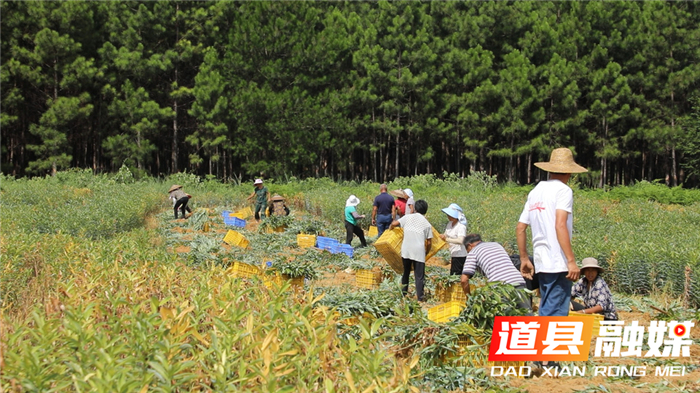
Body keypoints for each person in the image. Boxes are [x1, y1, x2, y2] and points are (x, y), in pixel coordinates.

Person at [516, 147, 587, 318]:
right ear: (570, 172)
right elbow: (560, 225)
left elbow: (520, 228)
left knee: (547, 306)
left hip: (541, 261)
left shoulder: (535, 192)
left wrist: (524, 259)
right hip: (557, 261)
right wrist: (571, 261)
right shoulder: (564, 191)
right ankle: (545, 344)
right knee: (555, 313)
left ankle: (540, 342)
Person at [461, 234, 532, 312]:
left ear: (469, 245)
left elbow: (464, 280)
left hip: (501, 287)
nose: (468, 252)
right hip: (518, 281)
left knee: (504, 318)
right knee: (527, 314)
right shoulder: (496, 245)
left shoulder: (473, 252)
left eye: (467, 250)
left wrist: (469, 298)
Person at [389, 199, 432, 302]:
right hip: (418, 251)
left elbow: (395, 223)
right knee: (419, 276)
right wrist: (427, 252)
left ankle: (403, 294)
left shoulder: (407, 217)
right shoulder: (427, 224)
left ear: (415, 208)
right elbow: (429, 242)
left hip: (406, 249)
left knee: (406, 272)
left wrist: (390, 227)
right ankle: (420, 298)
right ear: (425, 210)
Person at [439, 205, 467, 275]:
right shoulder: (449, 224)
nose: (448, 216)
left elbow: (461, 241)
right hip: (453, 253)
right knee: (453, 274)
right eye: (448, 215)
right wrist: (443, 236)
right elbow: (446, 234)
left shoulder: (461, 226)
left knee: (456, 275)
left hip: (460, 254)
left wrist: (447, 239)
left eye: (450, 215)